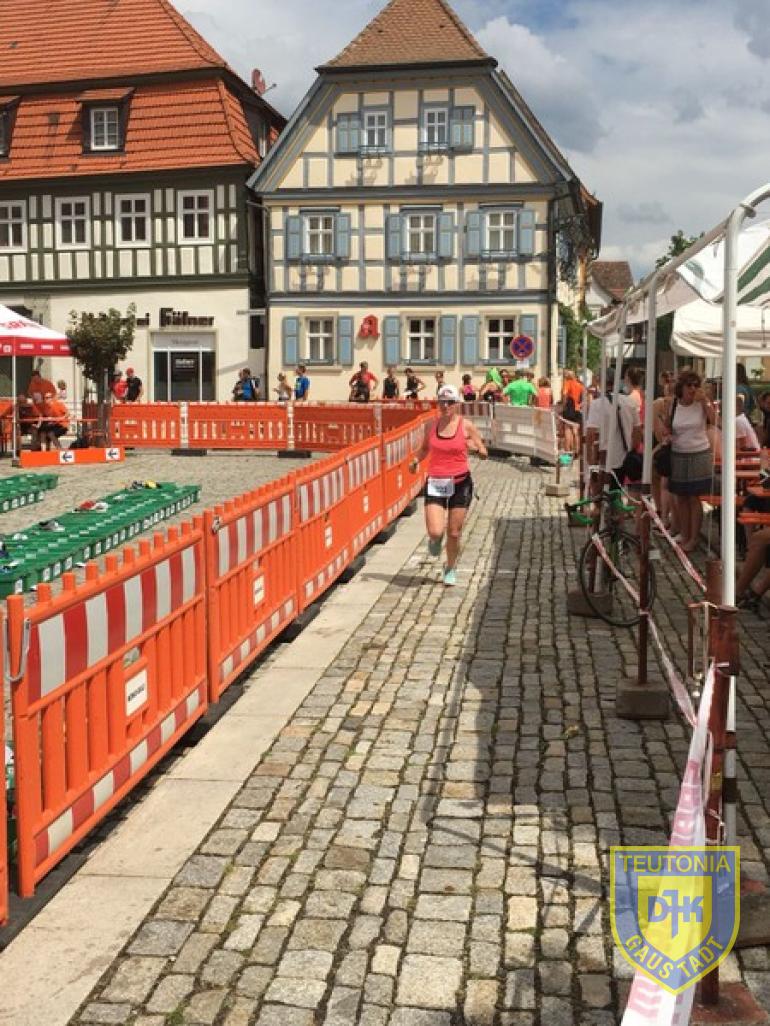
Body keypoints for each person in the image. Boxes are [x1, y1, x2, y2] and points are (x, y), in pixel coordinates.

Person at [409, 384, 488, 586]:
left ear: (457, 404)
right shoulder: (431, 426)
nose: (445, 406)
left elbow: (483, 451)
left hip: (460, 483)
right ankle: (435, 540)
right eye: (442, 402)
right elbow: (424, 449)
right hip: (436, 482)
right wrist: (416, 461)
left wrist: (474, 448)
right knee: (436, 531)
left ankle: (450, 568)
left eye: (450, 402)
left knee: (453, 532)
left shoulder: (466, 426)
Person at [658, 368, 715, 553]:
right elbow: (667, 425)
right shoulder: (674, 404)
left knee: (693, 497)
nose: (692, 389)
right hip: (678, 454)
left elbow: (715, 421)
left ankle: (694, 538)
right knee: (680, 496)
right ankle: (685, 534)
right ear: (681, 387)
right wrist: (666, 433)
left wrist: (705, 401)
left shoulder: (701, 404)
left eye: (695, 385)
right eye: (689, 385)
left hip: (699, 453)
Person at [561, 369, 585, 455]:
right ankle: (577, 451)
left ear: (568, 376)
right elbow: (584, 398)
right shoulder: (580, 385)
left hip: (569, 409)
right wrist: (579, 405)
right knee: (575, 431)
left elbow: (564, 394)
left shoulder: (567, 383)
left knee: (567, 430)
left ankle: (568, 452)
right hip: (577, 410)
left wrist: (563, 406)